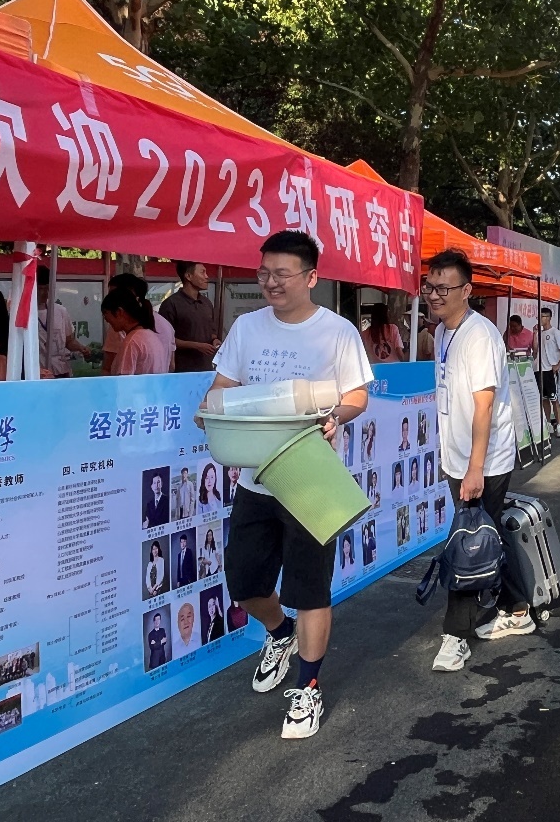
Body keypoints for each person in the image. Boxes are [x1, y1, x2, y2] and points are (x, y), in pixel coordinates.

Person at [205, 229, 373, 740]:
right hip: (255, 479)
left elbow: (357, 396)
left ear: (311, 277)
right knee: (245, 585)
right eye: (264, 273)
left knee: (310, 590)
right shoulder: (247, 327)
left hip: (309, 479)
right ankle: (279, 633)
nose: (270, 282)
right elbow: (222, 388)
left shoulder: (338, 331)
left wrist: (335, 416)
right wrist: (212, 409)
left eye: (281, 273)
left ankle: (308, 687)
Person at [423, 248, 528, 674]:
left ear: (466, 290)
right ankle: (516, 608)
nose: (435, 294)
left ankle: (455, 637)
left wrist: (474, 469)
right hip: (461, 459)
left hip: (485, 461)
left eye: (444, 288)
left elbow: (483, 408)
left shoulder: (479, 336)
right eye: (430, 287)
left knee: (467, 543)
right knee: (487, 534)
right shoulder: (442, 332)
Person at [101, 274, 174, 374]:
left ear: (119, 311)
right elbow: (171, 366)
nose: (105, 319)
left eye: (105, 314)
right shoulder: (153, 332)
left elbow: (122, 379)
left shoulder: (132, 341)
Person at [158, 261, 221, 373]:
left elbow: (212, 332)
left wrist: (214, 340)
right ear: (188, 276)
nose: (207, 276)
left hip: (206, 368)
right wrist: (196, 346)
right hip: (181, 370)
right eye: (202, 272)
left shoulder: (206, 303)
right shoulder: (171, 304)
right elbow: (165, 340)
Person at [36, 265, 88, 378]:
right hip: (38, 372)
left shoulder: (60, 311)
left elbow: (69, 341)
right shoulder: (24, 314)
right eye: (40, 289)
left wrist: (81, 348)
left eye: (47, 288)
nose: (45, 293)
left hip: (61, 370)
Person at [536, 307, 560, 437]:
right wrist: (534, 334)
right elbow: (535, 350)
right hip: (539, 369)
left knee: (553, 398)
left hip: (550, 370)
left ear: (549, 318)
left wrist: (558, 365)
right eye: (539, 317)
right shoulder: (539, 333)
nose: (540, 319)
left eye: (542, 317)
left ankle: (559, 425)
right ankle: (548, 424)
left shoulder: (555, 332)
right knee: (544, 398)